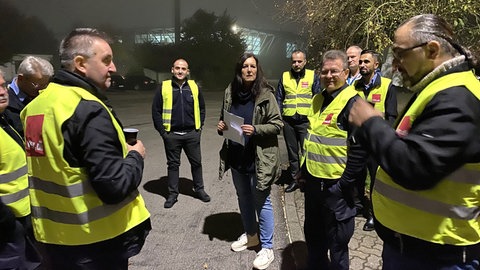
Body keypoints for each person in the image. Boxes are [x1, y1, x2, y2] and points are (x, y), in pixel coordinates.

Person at [349, 14, 480, 269]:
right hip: (416, 247)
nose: (395, 65)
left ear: (432, 49)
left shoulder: (458, 98)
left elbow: (415, 165)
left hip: (439, 256)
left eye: (400, 54)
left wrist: (371, 123)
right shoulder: (438, 88)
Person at [21, 28, 151, 270]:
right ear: (80, 63)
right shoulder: (86, 109)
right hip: (96, 244)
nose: (113, 68)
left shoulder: (36, 106)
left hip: (53, 239)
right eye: (106, 60)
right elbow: (114, 186)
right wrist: (135, 155)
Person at [299, 50, 366, 270]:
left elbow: (360, 151)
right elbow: (311, 139)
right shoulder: (318, 99)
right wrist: (303, 171)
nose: (328, 75)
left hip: (336, 189)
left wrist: (344, 184)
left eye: (334, 71)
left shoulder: (354, 103)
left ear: (346, 72)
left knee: (337, 248)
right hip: (313, 186)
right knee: (314, 242)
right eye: (325, 71)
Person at [217, 53, 283, 270]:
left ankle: (267, 248)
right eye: (245, 66)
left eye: (252, 66)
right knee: (243, 198)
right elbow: (225, 119)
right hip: (237, 157)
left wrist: (256, 130)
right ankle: (251, 235)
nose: (248, 70)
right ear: (239, 69)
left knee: (261, 202)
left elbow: (277, 124)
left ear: (257, 69)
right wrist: (221, 127)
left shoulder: (266, 94)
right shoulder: (230, 91)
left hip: (258, 158)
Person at [152, 58, 210, 208]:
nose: (180, 71)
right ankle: (172, 195)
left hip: (192, 134)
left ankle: (199, 190)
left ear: (187, 71)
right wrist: (163, 132)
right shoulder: (164, 87)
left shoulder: (194, 87)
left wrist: (199, 128)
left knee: (196, 163)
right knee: (173, 165)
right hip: (172, 135)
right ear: (172, 70)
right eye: (177, 68)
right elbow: (156, 111)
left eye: (183, 69)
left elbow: (202, 108)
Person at [354, 49, 398, 231]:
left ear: (376, 65)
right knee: (357, 176)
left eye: (367, 62)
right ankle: (357, 206)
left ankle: (373, 215)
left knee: (375, 180)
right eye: (361, 62)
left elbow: (392, 117)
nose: (362, 65)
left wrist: (384, 140)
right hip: (357, 142)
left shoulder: (388, 86)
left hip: (376, 144)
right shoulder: (354, 87)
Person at [275, 49, 320, 193]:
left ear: (305, 62)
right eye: (294, 61)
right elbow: (279, 97)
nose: (296, 64)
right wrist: (279, 116)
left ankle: (307, 180)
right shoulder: (285, 76)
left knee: (307, 152)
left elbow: (318, 97)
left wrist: (316, 119)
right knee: (292, 153)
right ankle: (295, 180)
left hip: (306, 121)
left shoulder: (313, 76)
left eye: (299, 61)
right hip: (288, 121)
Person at [0, 70, 29, 269]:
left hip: (19, 222)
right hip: (6, 231)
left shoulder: (4, 122)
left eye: (3, 85)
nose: (2, 92)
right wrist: (9, 222)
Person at [6, 55, 54, 137]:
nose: (41, 89)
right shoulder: (4, 100)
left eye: (45, 84)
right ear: (21, 78)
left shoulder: (44, 96)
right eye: (36, 84)